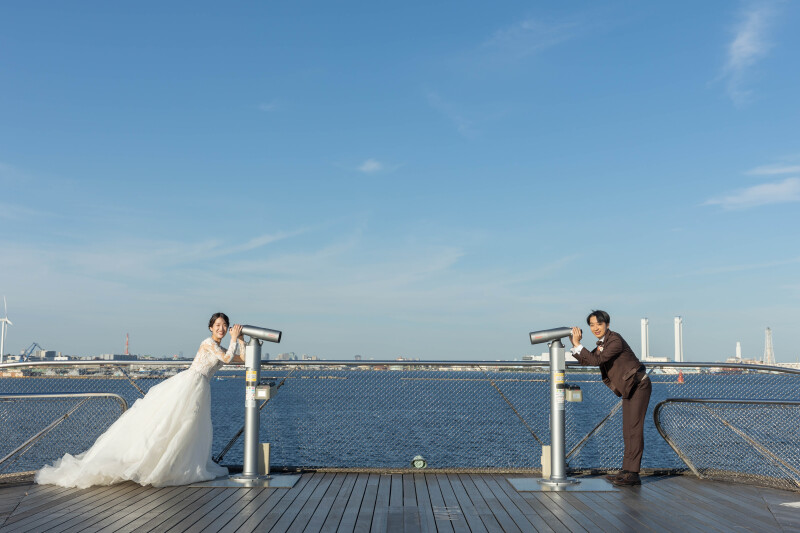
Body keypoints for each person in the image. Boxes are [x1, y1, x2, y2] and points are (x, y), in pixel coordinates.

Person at [35, 313, 246, 488]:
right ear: (210, 327)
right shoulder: (208, 343)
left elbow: (240, 359)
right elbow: (227, 357)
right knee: (170, 424)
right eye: (218, 325)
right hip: (190, 385)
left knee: (189, 427)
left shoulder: (220, 347)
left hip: (201, 388)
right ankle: (154, 463)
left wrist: (242, 340)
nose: (222, 328)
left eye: (225, 326)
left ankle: (178, 464)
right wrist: (234, 338)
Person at [569, 310, 651, 486]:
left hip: (639, 385)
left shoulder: (615, 340)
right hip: (630, 388)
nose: (595, 328)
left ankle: (633, 474)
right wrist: (576, 343)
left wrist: (577, 344)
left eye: (599, 324)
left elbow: (597, 361)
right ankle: (627, 470)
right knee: (627, 430)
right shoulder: (603, 343)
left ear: (607, 324)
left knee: (634, 430)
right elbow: (587, 360)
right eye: (592, 325)